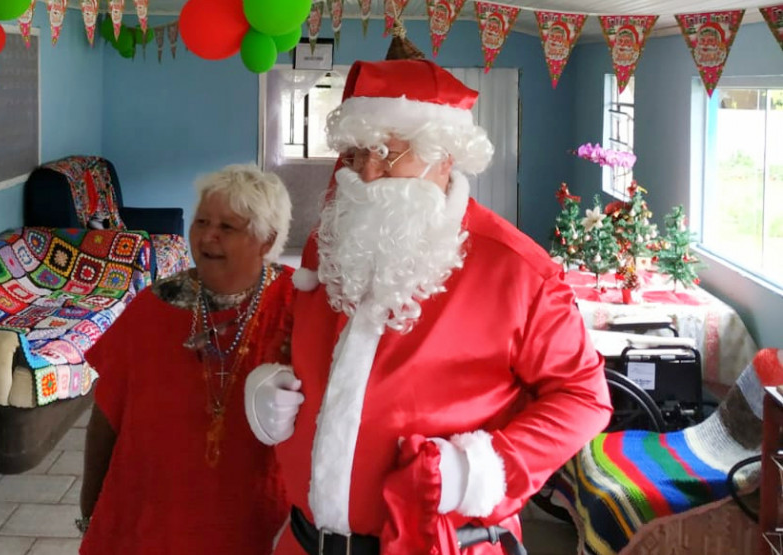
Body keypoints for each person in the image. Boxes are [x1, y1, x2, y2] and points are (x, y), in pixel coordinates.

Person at [244, 59, 613, 555]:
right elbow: (294, 336)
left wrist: (481, 469)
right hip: (303, 542)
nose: (366, 174)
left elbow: (584, 397)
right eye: (355, 154)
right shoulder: (329, 240)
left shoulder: (520, 272)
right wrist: (266, 382)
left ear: (444, 155)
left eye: (386, 154)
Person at [79, 164, 294, 554]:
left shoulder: (297, 308)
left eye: (227, 227)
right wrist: (90, 508)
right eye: (202, 222)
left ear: (266, 241)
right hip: (156, 517)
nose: (208, 236)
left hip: (256, 514)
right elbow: (106, 415)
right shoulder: (153, 306)